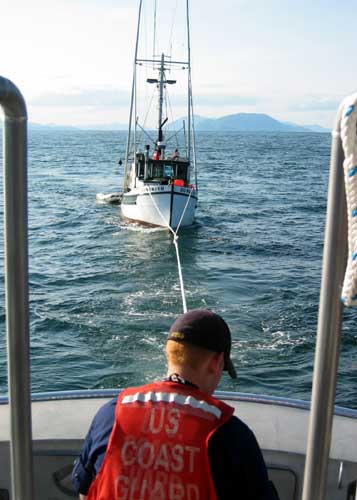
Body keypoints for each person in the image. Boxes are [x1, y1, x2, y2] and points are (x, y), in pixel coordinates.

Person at [72, 309, 279, 499]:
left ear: (168, 353)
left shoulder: (110, 414)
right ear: (216, 362)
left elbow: (84, 490)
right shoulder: (231, 435)